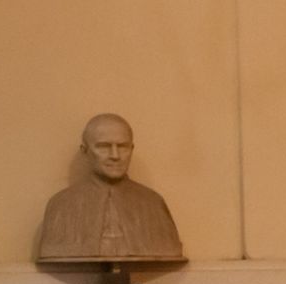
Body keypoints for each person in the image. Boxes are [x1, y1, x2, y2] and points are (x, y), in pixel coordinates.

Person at [36, 113, 184, 264]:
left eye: (123, 146)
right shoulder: (61, 205)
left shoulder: (154, 203)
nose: (115, 155)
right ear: (84, 151)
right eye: (104, 147)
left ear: (132, 149)